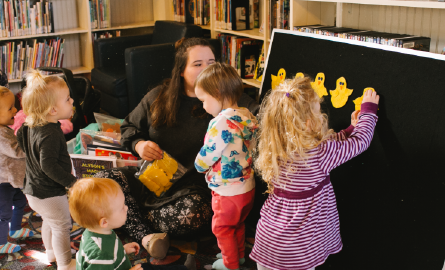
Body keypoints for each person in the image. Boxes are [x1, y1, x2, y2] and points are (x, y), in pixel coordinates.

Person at [93, 37, 259, 259]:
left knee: (191, 216)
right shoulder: (158, 96)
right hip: (152, 180)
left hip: (193, 191)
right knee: (101, 181)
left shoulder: (227, 100)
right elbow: (129, 127)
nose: (206, 69)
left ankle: (130, 221)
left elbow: (260, 112)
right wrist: (139, 145)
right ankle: (146, 234)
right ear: (181, 70)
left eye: (211, 63)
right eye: (197, 64)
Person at [249, 77, 379, 270]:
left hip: (271, 238)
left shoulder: (275, 147)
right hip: (298, 245)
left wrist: (351, 128)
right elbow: (361, 142)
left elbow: (328, 144)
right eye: (319, 110)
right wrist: (368, 111)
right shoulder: (321, 154)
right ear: (309, 124)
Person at [194, 63, 258, 270]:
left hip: (227, 189)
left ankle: (230, 265)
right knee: (237, 224)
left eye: (204, 100)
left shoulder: (221, 122)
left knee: (221, 227)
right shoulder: (246, 115)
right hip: (247, 185)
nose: (203, 106)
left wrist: (198, 165)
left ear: (217, 93)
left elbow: (210, 151)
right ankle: (237, 256)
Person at [17, 70, 77, 270]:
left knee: (50, 222)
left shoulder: (29, 125)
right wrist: (71, 182)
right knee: (62, 226)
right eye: (67, 99)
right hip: (49, 193)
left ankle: (51, 253)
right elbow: (48, 166)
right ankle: (65, 264)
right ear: (52, 110)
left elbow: (21, 142)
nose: (72, 101)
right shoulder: (50, 133)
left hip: (33, 191)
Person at [69, 177, 196, 270]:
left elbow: (108, 259)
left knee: (147, 267)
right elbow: (102, 259)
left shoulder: (94, 231)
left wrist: (121, 250)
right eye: (121, 208)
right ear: (104, 222)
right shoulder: (100, 254)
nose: (126, 208)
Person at [0, 86, 34, 254]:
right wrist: (29, 142)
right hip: (4, 182)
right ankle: (1, 243)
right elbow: (16, 150)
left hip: (15, 179)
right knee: (3, 213)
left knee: (20, 202)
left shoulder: (4, 128)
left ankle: (15, 229)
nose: (15, 110)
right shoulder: (0, 134)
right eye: (10, 108)